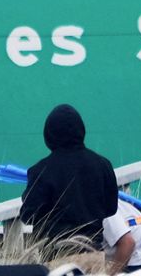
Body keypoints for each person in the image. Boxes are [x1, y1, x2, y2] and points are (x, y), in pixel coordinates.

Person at [20, 104, 119, 243]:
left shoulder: (41, 170)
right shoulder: (103, 165)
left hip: (56, 251)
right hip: (94, 250)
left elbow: (28, 215)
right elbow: (111, 208)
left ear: (49, 134)